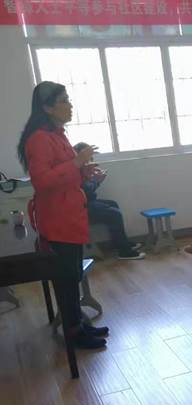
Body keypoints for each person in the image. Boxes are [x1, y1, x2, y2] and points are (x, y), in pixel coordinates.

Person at [18, 81, 108, 350]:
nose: (70, 105)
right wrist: (77, 162)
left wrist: (84, 172)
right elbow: (42, 181)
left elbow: (64, 172)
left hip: (70, 215)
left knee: (73, 275)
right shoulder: (39, 139)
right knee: (66, 279)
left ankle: (78, 323)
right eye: (64, 101)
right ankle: (74, 332)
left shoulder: (57, 134)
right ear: (47, 107)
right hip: (57, 219)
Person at [73, 143, 145, 260]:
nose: (91, 159)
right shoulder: (75, 170)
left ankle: (120, 243)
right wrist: (96, 181)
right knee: (114, 214)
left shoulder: (83, 168)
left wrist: (95, 179)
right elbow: (85, 191)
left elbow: (87, 191)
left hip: (86, 202)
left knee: (113, 204)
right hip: (80, 207)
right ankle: (124, 251)